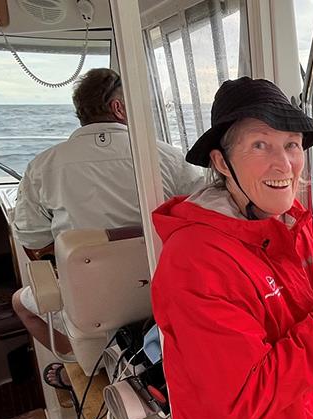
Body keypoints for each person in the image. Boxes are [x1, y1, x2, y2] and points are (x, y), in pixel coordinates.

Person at [151, 77, 313, 419]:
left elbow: (284, 308)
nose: (285, 165)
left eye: (291, 144)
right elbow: (241, 404)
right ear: (221, 162)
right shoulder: (194, 260)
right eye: (260, 145)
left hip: (303, 405)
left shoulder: (286, 222)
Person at [10, 68, 202, 381]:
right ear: (118, 108)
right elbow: (199, 216)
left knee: (20, 301)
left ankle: (84, 369)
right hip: (162, 293)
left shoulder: (43, 165)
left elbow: (32, 240)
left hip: (91, 305)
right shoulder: (168, 156)